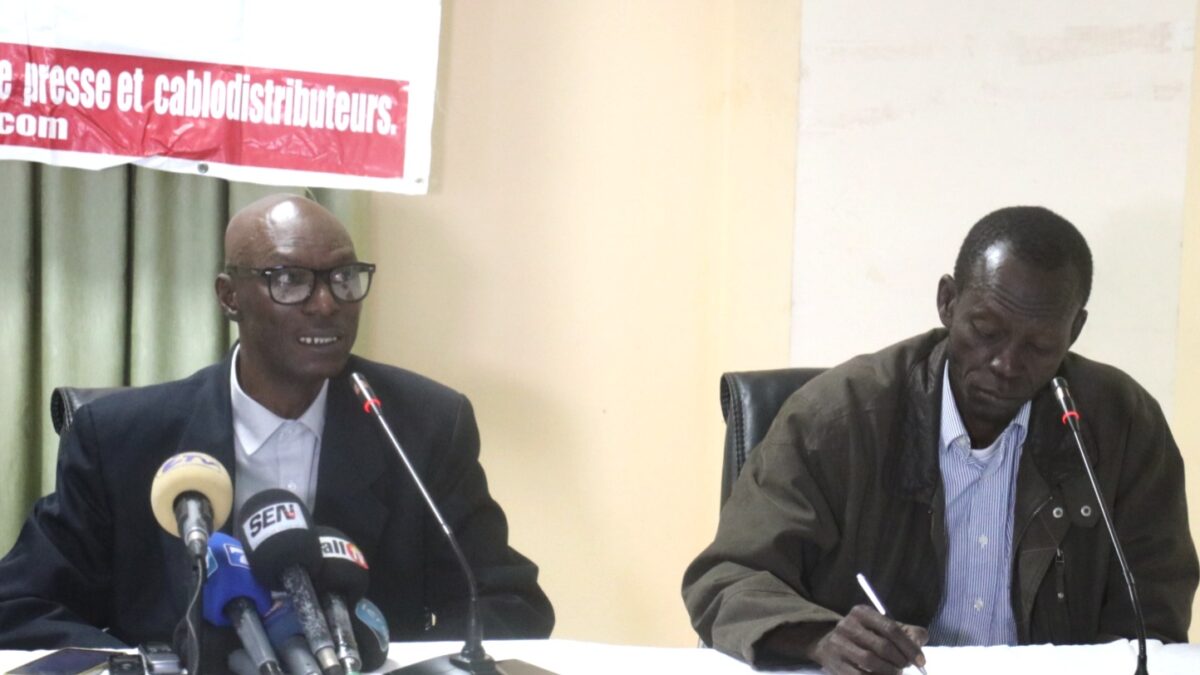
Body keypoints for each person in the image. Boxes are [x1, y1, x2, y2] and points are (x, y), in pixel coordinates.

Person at [0, 194, 554, 649]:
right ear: (229, 297)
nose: (325, 303)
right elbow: (21, 604)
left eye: (343, 277)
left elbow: (506, 603)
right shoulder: (121, 439)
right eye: (289, 279)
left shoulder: (423, 424)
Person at [682, 206, 1197, 674]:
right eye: (987, 331)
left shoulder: (1121, 424)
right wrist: (820, 637)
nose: (1006, 364)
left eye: (1040, 346)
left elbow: (1152, 610)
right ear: (948, 302)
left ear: (1074, 331)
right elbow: (727, 577)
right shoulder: (837, 418)